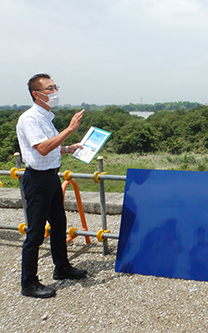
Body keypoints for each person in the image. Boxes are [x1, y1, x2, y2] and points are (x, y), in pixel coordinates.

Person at [16, 73, 88, 298]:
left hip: (51, 177)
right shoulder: (29, 119)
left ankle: (62, 267)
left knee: (59, 224)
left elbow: (51, 147)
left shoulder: (46, 117)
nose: (54, 91)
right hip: (37, 180)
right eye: (49, 88)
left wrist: (69, 148)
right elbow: (42, 149)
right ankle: (28, 283)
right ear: (36, 94)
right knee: (35, 232)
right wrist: (70, 129)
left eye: (55, 86)